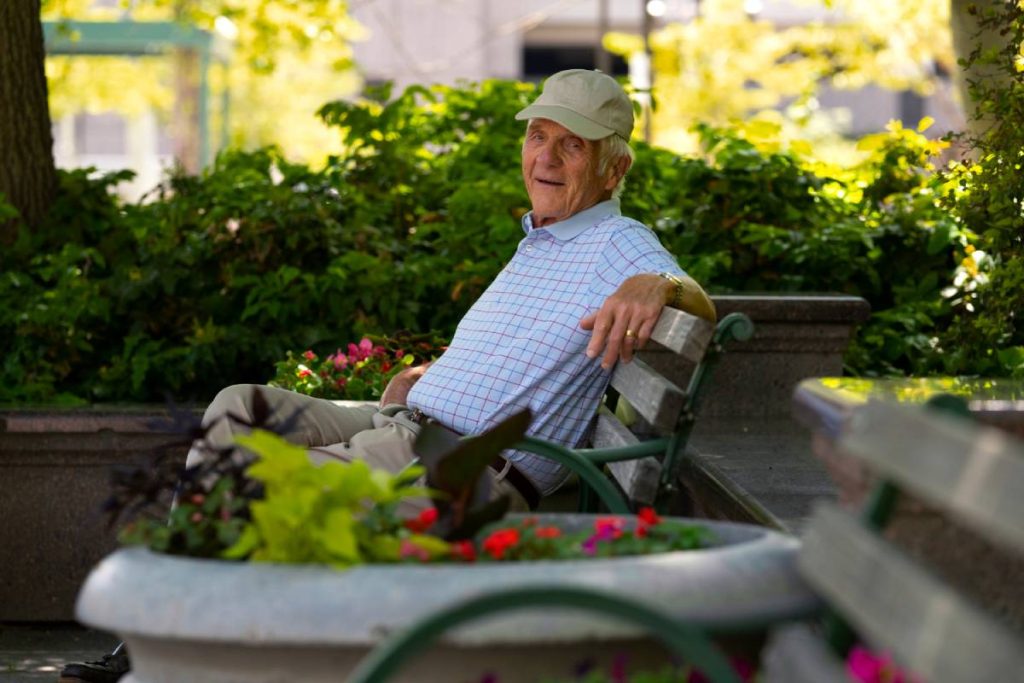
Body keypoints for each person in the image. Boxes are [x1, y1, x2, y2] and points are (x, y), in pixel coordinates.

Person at [58, 68, 715, 683]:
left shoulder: (615, 243)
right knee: (240, 405)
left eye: (571, 146)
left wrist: (653, 283)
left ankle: (177, 645)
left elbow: (701, 303)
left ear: (613, 168)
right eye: (537, 135)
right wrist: (431, 377)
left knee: (249, 479)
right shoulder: (543, 238)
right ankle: (177, 631)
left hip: (451, 466)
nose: (544, 157)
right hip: (402, 420)